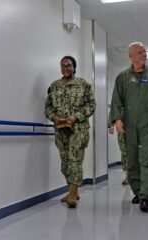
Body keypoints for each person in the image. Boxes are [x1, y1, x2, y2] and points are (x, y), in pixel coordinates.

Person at [109, 42, 148, 212]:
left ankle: (146, 196)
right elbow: (116, 100)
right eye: (139, 52)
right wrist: (116, 119)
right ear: (131, 56)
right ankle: (137, 191)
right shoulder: (122, 77)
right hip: (129, 124)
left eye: (144, 52)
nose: (144, 54)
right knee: (132, 161)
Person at [45, 56, 96, 208]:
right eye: (63, 66)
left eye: (68, 65)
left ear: (74, 67)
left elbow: (92, 105)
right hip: (61, 130)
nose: (65, 68)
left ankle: (73, 194)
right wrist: (53, 117)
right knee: (65, 163)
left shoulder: (83, 85)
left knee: (74, 160)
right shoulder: (54, 86)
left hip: (78, 129)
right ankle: (72, 190)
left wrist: (76, 117)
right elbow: (48, 107)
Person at [108, 117, 129, 185]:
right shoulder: (119, 106)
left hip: (136, 129)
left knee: (136, 152)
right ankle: (128, 175)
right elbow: (114, 110)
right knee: (124, 152)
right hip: (122, 129)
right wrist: (111, 125)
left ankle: (138, 175)